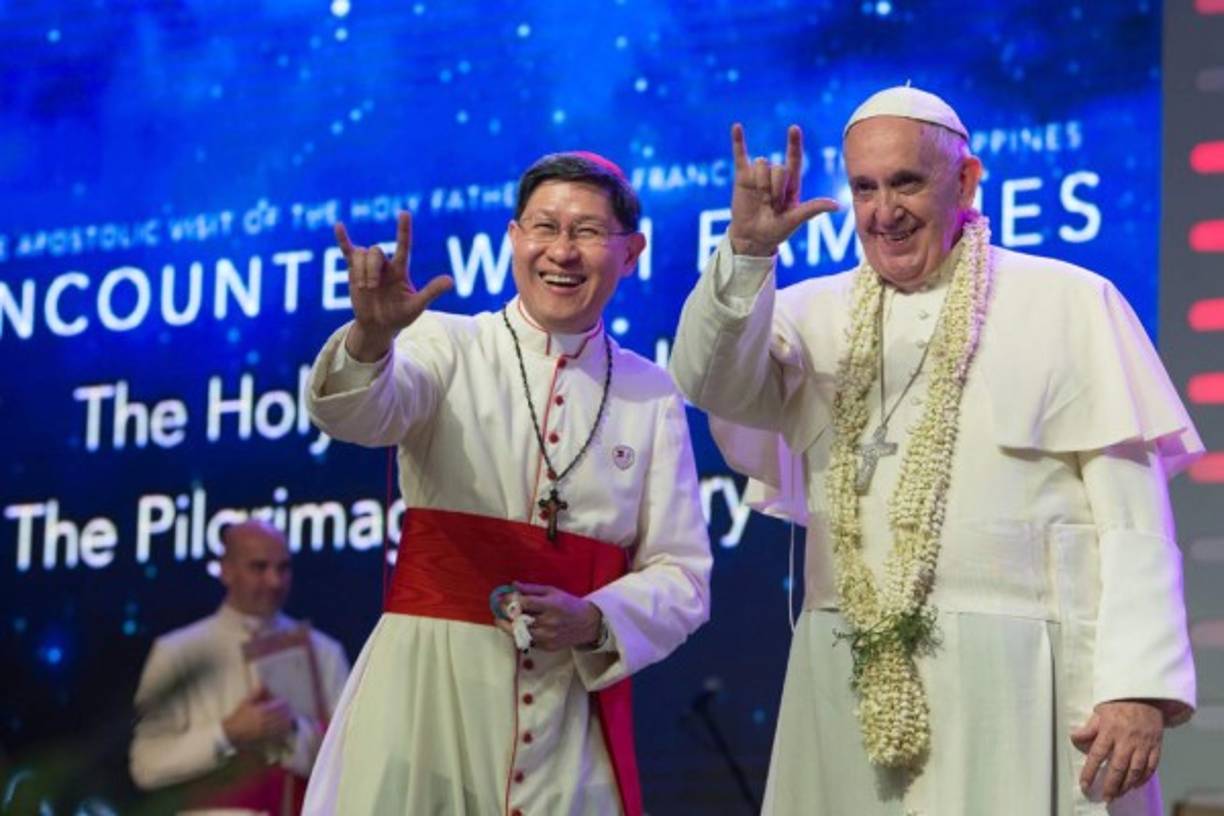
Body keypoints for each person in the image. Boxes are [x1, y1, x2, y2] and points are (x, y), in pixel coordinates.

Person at [669, 86, 1199, 815]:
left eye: (907, 182)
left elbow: (1135, 520)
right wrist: (748, 254)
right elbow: (708, 380)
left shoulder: (1070, 301)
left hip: (1021, 683)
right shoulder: (807, 314)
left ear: (968, 180)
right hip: (847, 677)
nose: (884, 212)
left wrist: (1137, 686)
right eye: (864, 188)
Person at [301, 152, 712, 815]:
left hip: (567, 717)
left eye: (586, 231)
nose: (561, 251)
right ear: (514, 237)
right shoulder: (444, 342)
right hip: (428, 691)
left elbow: (684, 575)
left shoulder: (649, 391)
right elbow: (357, 414)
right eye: (544, 227)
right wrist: (371, 341)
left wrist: (595, 617)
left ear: (630, 252)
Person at [130, 520, 351, 815]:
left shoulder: (325, 652)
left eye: (283, 568)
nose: (274, 581)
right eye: (259, 568)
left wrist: (292, 730)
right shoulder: (177, 652)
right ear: (226, 570)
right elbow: (146, 765)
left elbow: (350, 763)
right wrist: (227, 733)